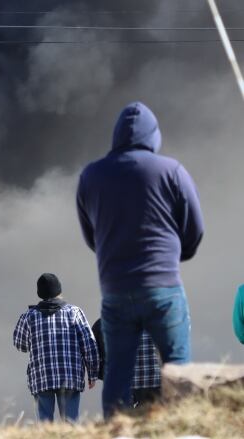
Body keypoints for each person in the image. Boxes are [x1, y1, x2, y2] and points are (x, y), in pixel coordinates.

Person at [76, 101, 204, 418]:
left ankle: (117, 431)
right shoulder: (172, 170)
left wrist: (115, 259)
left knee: (118, 371)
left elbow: (91, 237)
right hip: (163, 286)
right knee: (177, 366)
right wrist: (178, 254)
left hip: (116, 289)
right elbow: (195, 229)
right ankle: (180, 430)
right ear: (154, 136)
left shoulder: (91, 176)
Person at [13, 273, 98, 423]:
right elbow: (89, 343)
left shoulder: (29, 316)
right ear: (59, 291)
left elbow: (21, 345)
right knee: (71, 423)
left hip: (41, 378)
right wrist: (92, 373)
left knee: (45, 425)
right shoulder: (74, 312)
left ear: (40, 293)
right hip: (70, 377)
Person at [92, 319, 162, 407]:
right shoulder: (159, 320)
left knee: (122, 417)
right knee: (152, 417)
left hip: (120, 384)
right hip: (154, 382)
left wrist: (102, 375)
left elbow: (94, 354)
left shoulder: (105, 322)